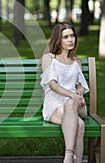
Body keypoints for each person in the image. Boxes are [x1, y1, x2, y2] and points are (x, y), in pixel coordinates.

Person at [40, 22, 89, 163]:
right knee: (80, 125)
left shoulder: (76, 62)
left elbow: (80, 86)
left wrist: (78, 93)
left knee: (70, 104)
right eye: (66, 37)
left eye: (72, 36)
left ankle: (68, 156)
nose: (70, 39)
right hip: (54, 105)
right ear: (58, 40)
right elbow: (52, 85)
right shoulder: (49, 58)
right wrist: (72, 94)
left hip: (74, 104)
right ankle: (73, 158)